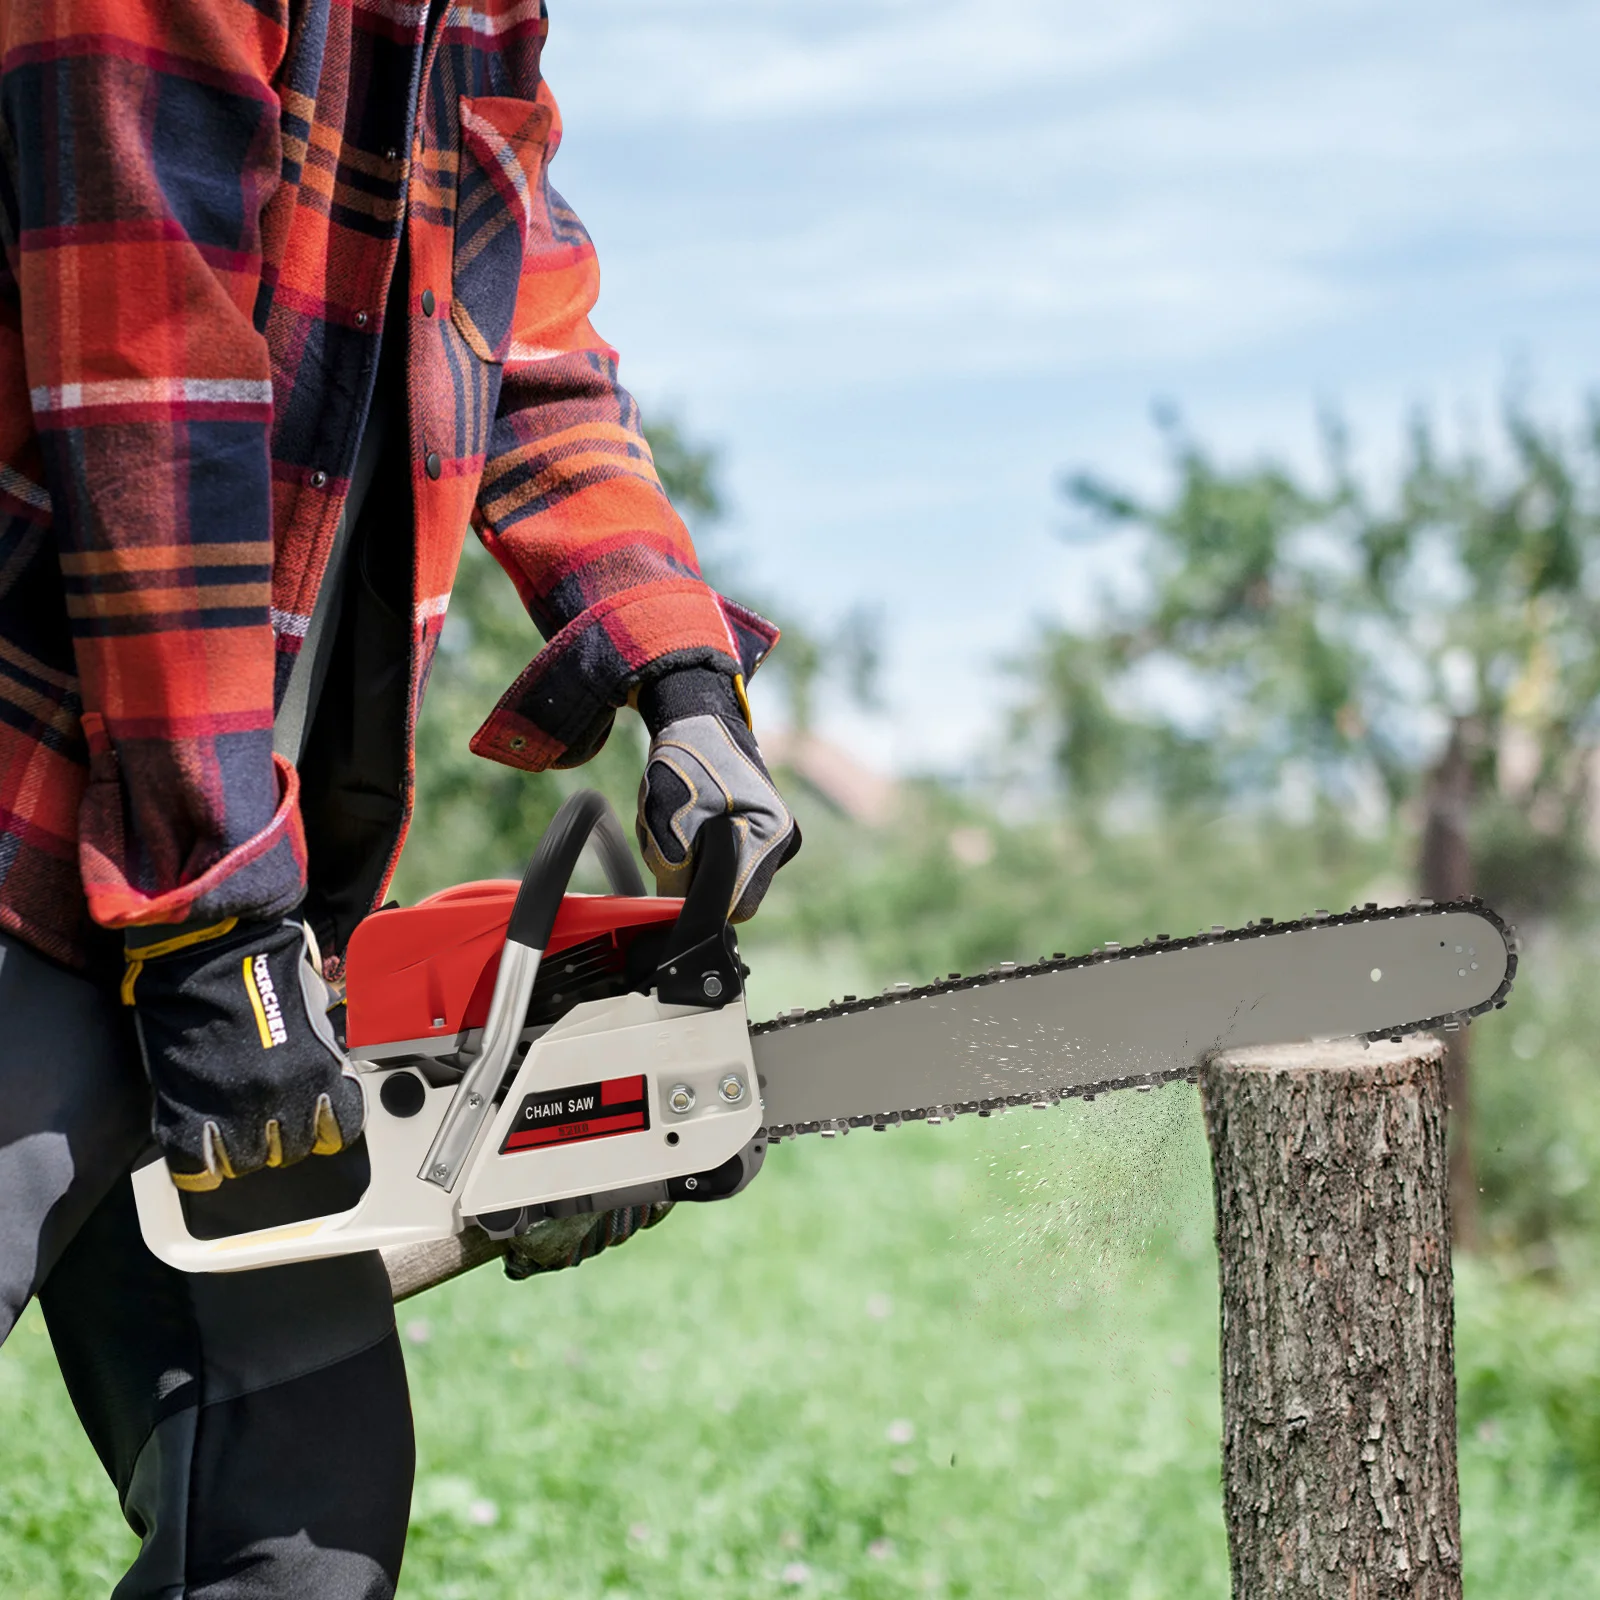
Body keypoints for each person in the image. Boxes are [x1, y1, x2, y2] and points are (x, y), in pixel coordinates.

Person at [0, 2, 798, 1594]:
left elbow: (536, 345)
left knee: (298, 1520)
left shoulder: (472, 19)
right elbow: (149, 370)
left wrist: (680, 677)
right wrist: (214, 924)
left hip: (216, 855)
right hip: (53, 825)